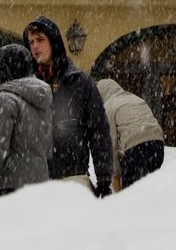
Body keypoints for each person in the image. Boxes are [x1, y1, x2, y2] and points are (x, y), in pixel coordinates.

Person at [25, 16, 113, 197]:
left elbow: (99, 132)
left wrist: (104, 180)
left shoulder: (81, 83)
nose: (34, 46)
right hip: (36, 183)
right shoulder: (27, 85)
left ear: (54, 42)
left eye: (40, 40)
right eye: (31, 42)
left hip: (74, 180)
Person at [0, 44, 53, 199]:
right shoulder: (41, 98)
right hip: (41, 186)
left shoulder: (2, 101)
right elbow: (47, 147)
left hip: (13, 186)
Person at [95, 78, 165, 190]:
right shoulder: (136, 99)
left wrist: (116, 174)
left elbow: (111, 143)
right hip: (158, 145)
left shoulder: (108, 106)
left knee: (131, 194)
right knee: (151, 190)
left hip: (137, 149)